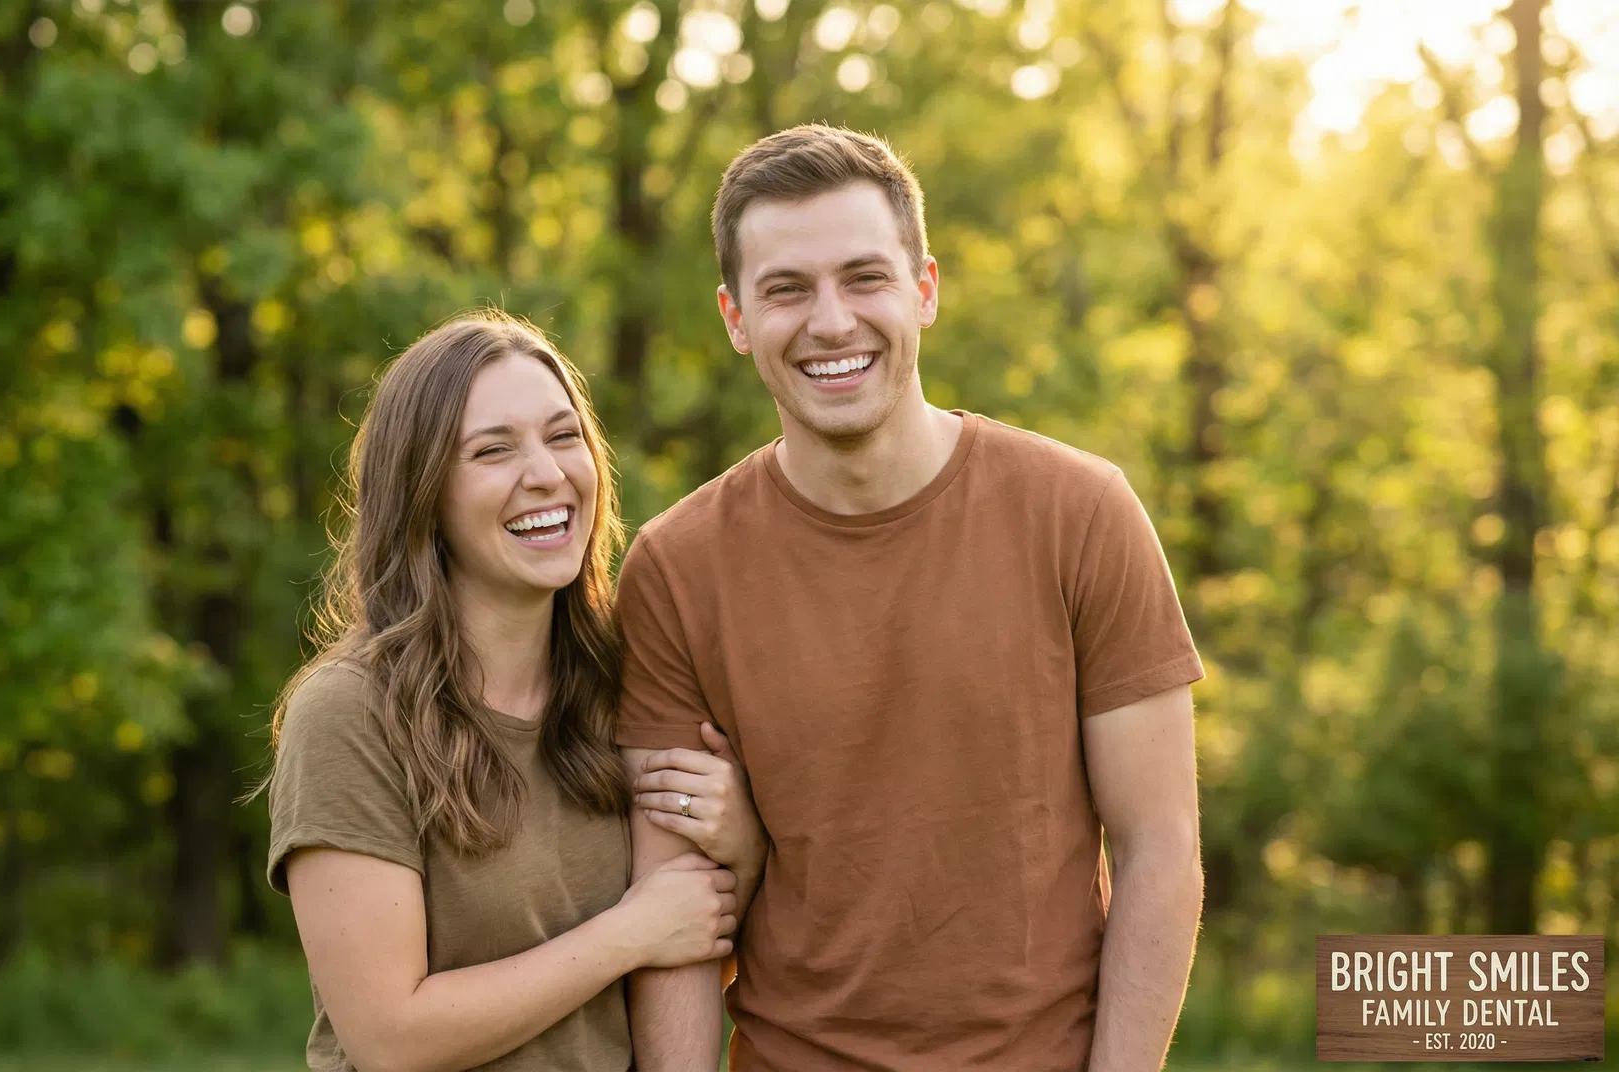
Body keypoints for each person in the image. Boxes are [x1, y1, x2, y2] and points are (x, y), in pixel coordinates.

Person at [614, 124, 1206, 1071]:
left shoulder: (1081, 514)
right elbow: (677, 907)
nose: (832, 321)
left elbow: (1160, 850)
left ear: (924, 290)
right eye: (786, 290)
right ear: (734, 318)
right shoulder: (675, 568)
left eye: (865, 277)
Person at [262, 310, 766, 1072]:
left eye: (564, 437)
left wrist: (745, 853)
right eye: (493, 450)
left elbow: (689, 960)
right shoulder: (349, 713)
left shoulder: (624, 688)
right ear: (423, 493)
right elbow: (389, 1037)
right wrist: (627, 932)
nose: (546, 473)